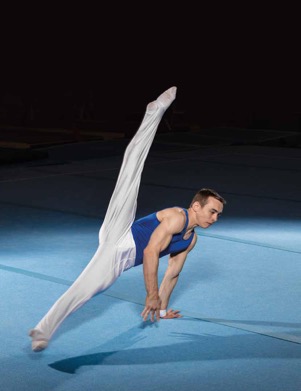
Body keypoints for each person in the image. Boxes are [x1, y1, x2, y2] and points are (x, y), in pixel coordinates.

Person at [29, 86, 226, 352]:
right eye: (212, 211)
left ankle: (41, 330)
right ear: (195, 206)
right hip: (120, 234)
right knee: (131, 173)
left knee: (85, 291)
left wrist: (163, 307)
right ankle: (153, 113)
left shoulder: (190, 240)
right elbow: (150, 251)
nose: (214, 218)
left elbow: (173, 275)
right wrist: (151, 294)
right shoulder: (177, 217)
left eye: (218, 214)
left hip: (118, 259)